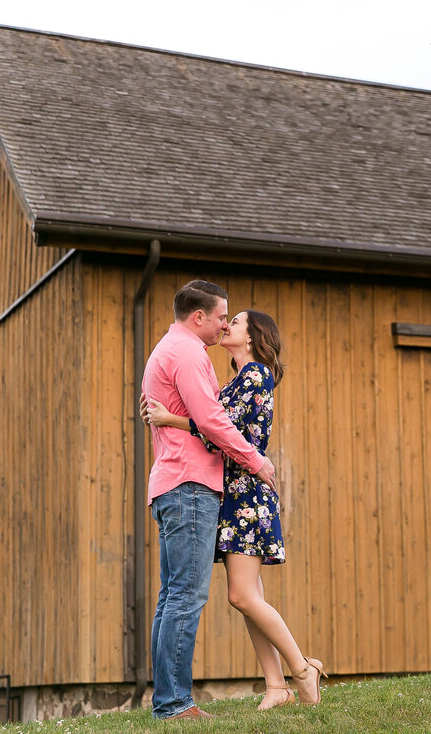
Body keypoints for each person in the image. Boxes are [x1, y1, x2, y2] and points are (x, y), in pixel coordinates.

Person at [142, 308, 326, 710]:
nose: (227, 326)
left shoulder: (256, 374)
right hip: (232, 495)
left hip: (246, 496)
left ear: (253, 337)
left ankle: (301, 667)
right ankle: (276, 686)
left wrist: (168, 418)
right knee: (249, 597)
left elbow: (219, 431)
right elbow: (214, 425)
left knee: (242, 596)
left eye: (236, 322)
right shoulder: (235, 379)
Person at [143, 280, 278, 721]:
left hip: (170, 484)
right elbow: (213, 421)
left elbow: (203, 418)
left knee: (171, 597)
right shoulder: (188, 354)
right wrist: (256, 462)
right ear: (198, 317)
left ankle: (168, 701)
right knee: (185, 597)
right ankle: (175, 704)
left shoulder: (168, 349)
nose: (225, 324)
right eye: (223, 316)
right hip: (191, 487)